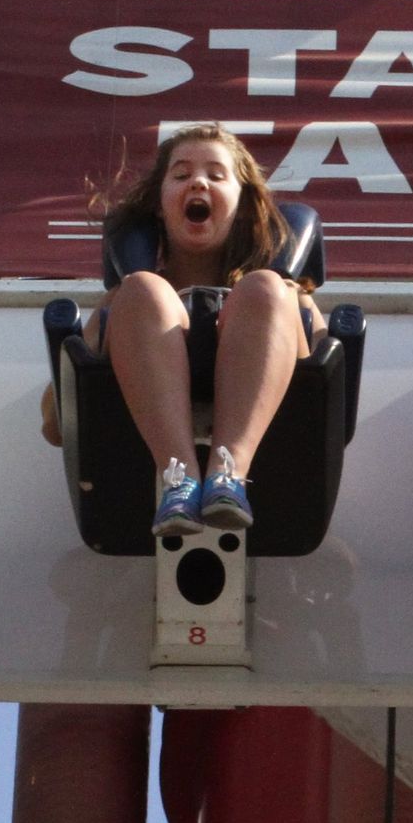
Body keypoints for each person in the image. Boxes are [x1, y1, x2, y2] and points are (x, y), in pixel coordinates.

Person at [39, 122, 325, 535]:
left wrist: (291, 296)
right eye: (181, 175)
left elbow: (329, 391)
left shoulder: (285, 294)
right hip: (135, 468)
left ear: (243, 202)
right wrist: (108, 316)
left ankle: (229, 475)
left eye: (216, 174)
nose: (198, 183)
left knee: (263, 286)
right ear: (159, 203)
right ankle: (180, 479)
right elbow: (54, 426)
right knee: (144, 290)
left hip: (281, 457)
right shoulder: (130, 298)